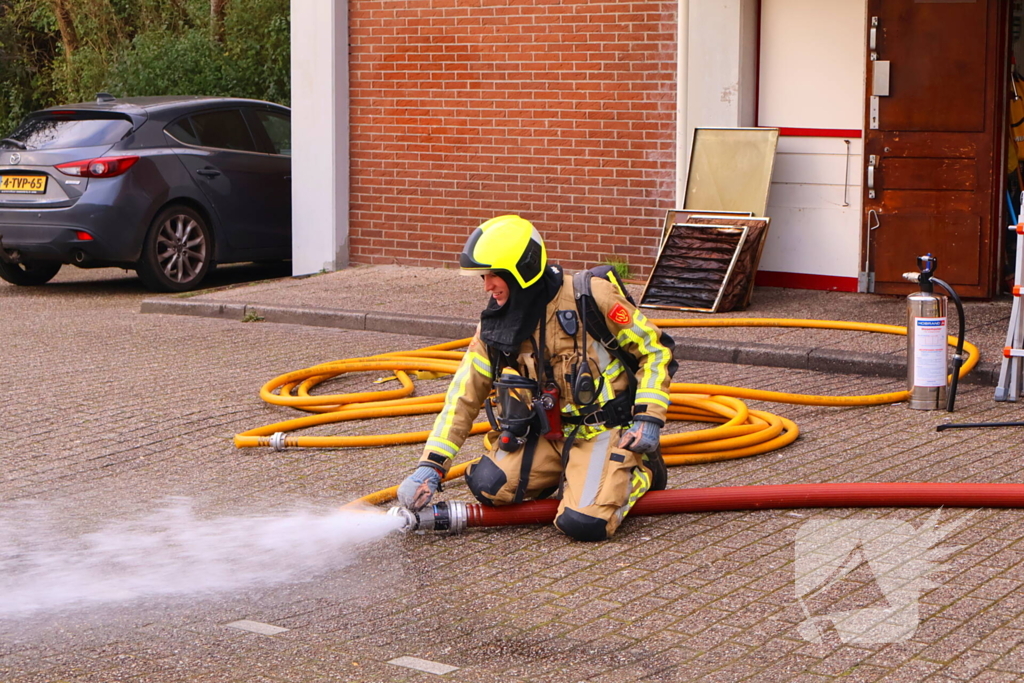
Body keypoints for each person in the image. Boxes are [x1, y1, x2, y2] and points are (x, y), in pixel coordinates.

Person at [396, 215, 675, 541]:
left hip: (604, 431)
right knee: (489, 486)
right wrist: (431, 465)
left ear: (521, 270)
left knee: (583, 524)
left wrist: (649, 417)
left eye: (493, 276)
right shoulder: (495, 326)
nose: (487, 287)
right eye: (483, 277)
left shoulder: (590, 297)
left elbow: (655, 351)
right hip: (548, 434)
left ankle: (638, 471)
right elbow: (463, 396)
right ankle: (579, 476)